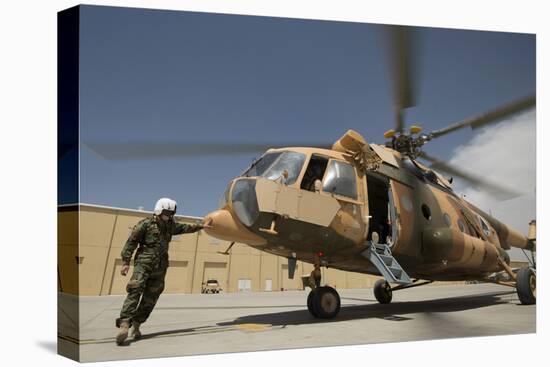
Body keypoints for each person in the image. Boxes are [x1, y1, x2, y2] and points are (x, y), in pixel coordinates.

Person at [115, 197, 212, 345]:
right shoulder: (145, 224)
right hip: (143, 265)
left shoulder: (170, 226)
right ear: (159, 210)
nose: (169, 216)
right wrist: (126, 262)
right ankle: (124, 325)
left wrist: (202, 226)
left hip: (160, 267)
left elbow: (186, 228)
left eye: (171, 213)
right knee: (135, 290)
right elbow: (131, 242)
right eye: (167, 213)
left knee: (151, 297)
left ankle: (137, 324)